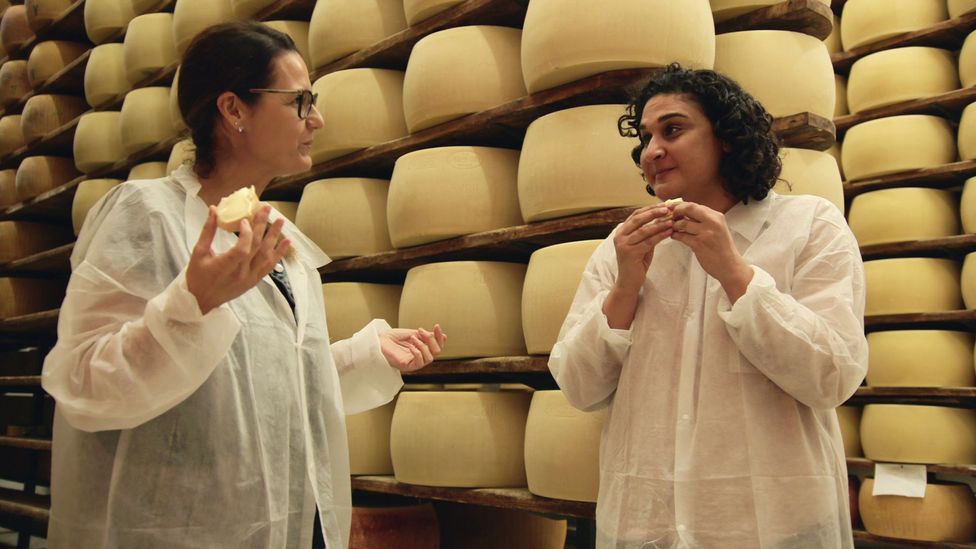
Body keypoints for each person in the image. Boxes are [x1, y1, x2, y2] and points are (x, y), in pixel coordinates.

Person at [41, 21, 445, 549]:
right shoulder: (148, 218)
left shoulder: (284, 244)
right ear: (233, 110)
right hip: (176, 529)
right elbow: (83, 384)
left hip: (283, 524)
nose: (317, 119)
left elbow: (261, 393)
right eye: (300, 102)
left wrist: (362, 355)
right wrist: (189, 305)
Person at [548, 64, 867, 548]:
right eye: (645, 137)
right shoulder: (623, 247)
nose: (651, 151)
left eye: (672, 130)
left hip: (771, 529)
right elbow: (577, 385)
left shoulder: (809, 226)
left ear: (727, 138)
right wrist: (625, 288)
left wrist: (734, 272)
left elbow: (833, 374)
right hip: (646, 525)